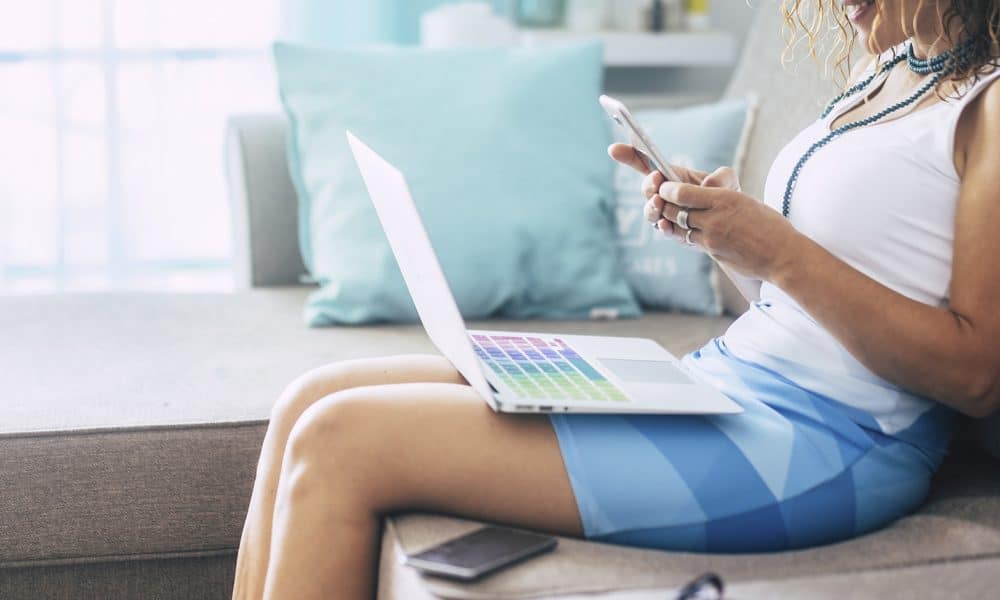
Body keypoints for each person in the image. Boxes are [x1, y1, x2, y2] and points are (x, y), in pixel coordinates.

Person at [232, 1, 1000, 598]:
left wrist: (778, 248)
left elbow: (975, 373)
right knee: (310, 397)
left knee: (342, 439)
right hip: (723, 382)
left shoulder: (989, 105)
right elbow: (808, 304)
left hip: (829, 443)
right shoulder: (888, 74)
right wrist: (729, 242)